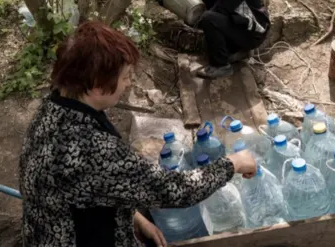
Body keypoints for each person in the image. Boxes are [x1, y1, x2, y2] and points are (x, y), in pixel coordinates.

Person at [19, 20, 257, 247]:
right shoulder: (90, 149)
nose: (129, 84)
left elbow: (86, 186)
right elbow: (175, 190)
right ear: (97, 87)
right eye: (125, 77)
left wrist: (134, 217)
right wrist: (232, 164)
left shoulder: (52, 108)